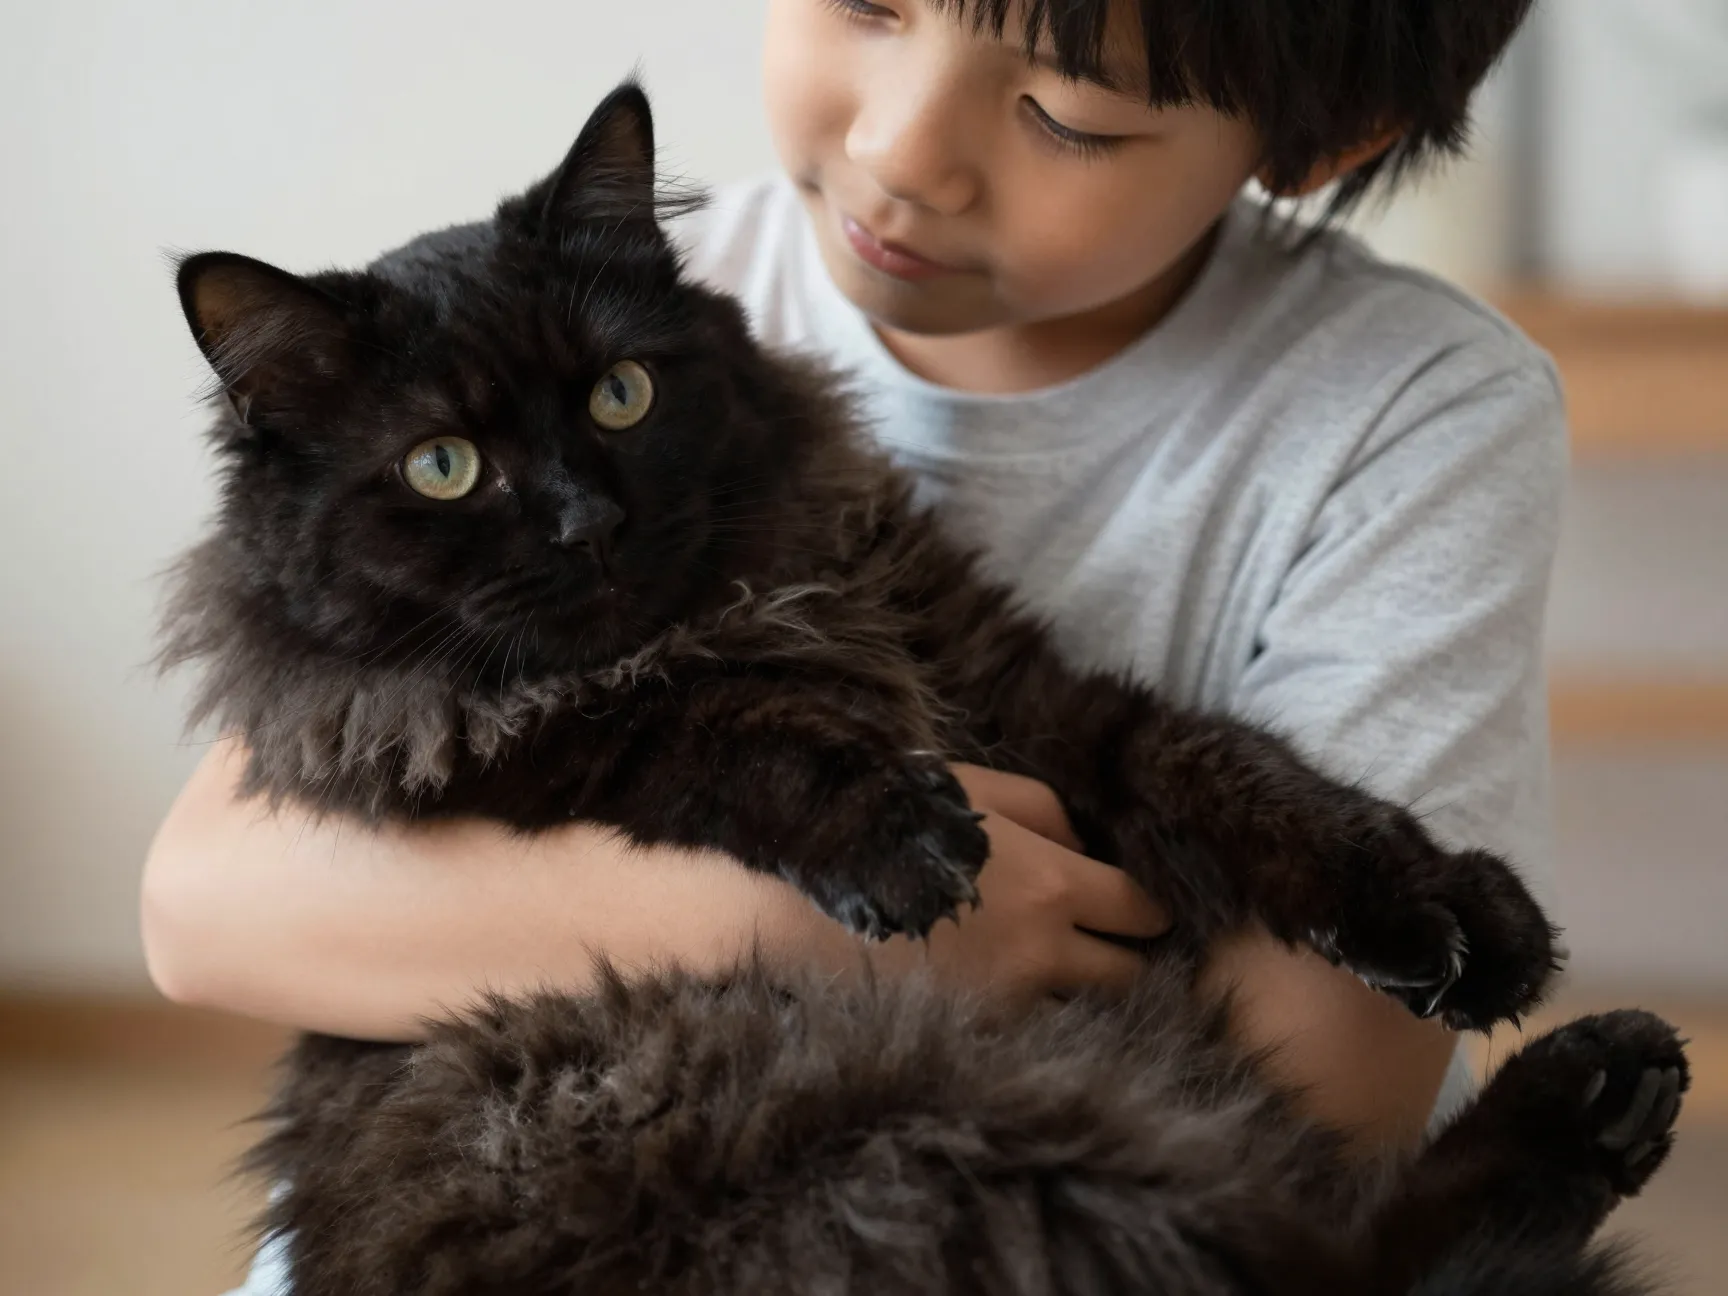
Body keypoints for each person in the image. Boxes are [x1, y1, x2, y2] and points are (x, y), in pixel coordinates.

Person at [143, 2, 1561, 1289]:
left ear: (1327, 143)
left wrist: (1353, 872)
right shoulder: (639, 319)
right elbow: (199, 908)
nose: (903, 153)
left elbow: (1323, 1083)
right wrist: (781, 921)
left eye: (1073, 111)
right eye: (869, 4)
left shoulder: (1409, 414)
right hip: (577, 1185)